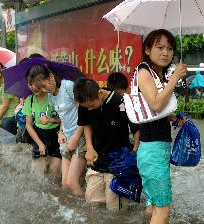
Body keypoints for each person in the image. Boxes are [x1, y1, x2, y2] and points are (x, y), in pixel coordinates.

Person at [135, 29, 187, 224]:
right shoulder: (145, 72)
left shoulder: (158, 74)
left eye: (170, 48)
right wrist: (175, 77)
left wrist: (172, 117)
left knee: (153, 204)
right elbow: (156, 103)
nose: (166, 52)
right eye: (159, 47)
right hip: (152, 149)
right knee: (163, 209)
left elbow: (154, 111)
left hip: (156, 148)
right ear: (147, 49)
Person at [73, 78, 140, 210]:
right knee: (92, 202)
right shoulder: (85, 103)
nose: (89, 109)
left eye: (92, 106)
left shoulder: (121, 102)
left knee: (115, 208)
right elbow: (85, 123)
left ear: (99, 93)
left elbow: (136, 129)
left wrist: (134, 153)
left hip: (120, 161)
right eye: (87, 107)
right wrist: (90, 148)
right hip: (97, 159)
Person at [27, 64, 86, 197]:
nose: (44, 89)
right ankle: (73, 214)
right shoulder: (50, 97)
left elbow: (84, 112)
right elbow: (62, 118)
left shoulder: (68, 87)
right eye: (40, 87)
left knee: (72, 183)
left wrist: (76, 138)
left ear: (51, 77)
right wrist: (60, 132)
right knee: (64, 184)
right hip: (66, 138)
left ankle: (88, 214)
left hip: (80, 137)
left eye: (44, 85)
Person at [22, 73, 62, 175]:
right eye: (29, 83)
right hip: (38, 136)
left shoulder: (54, 96)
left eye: (35, 83)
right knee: (40, 173)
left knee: (54, 173)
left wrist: (50, 120)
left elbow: (63, 119)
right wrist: (40, 144)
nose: (33, 87)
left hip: (56, 136)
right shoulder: (29, 100)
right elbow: (28, 125)